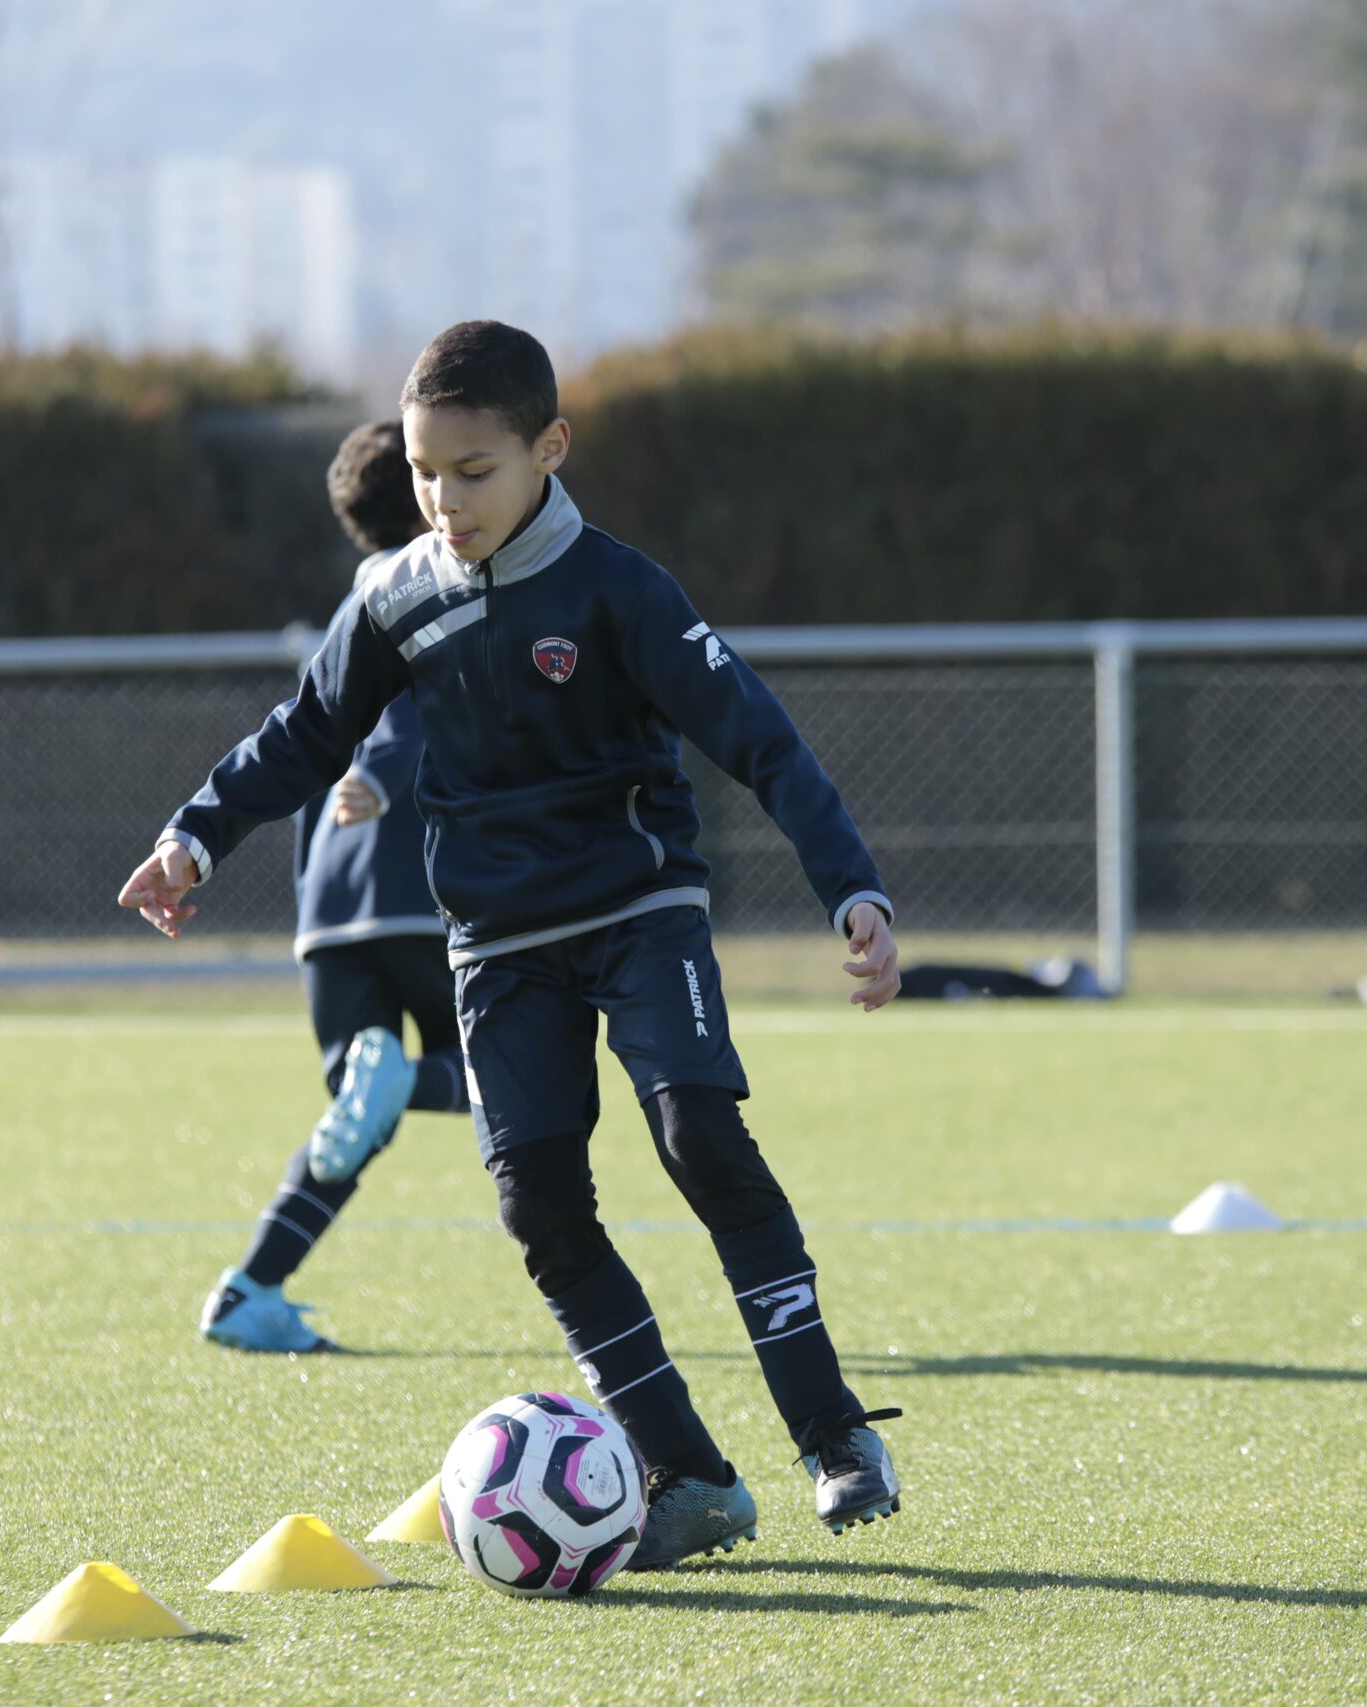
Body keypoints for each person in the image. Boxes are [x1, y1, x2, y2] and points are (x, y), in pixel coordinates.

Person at [119, 321, 906, 1568]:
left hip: (639, 915)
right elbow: (304, 731)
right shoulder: (399, 597)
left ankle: (833, 1437)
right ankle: (689, 1475)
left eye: (473, 470)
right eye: (427, 473)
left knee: (698, 1134)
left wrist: (850, 889)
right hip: (493, 947)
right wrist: (194, 838)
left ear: (549, 448)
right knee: (538, 1205)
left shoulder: (620, 588)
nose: (444, 499)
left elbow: (760, 739)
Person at [199, 420, 472, 1354]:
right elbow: (416, 708)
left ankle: (248, 1290)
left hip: (331, 909)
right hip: (415, 881)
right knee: (506, 1071)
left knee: (359, 1115)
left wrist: (314, 899)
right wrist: (390, 776)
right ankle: (400, 1078)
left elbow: (302, 741)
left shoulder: (342, 614)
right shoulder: (441, 588)